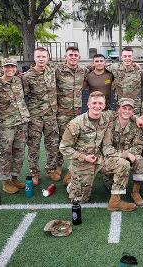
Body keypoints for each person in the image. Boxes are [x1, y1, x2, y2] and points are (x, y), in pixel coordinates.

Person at [60, 91, 136, 211]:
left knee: (124, 164)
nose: (97, 106)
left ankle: (115, 201)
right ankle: (71, 182)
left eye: (100, 103)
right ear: (88, 104)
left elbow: (125, 112)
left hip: (101, 159)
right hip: (83, 162)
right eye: (94, 103)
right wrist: (83, 157)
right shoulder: (76, 123)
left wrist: (138, 119)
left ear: (104, 105)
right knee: (81, 200)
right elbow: (64, 148)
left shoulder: (107, 116)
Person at [22, 47, 60, 186]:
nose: (41, 59)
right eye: (38, 56)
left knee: (52, 145)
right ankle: (34, 173)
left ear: (48, 58)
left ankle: (51, 169)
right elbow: (22, 95)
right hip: (35, 117)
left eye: (44, 56)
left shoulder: (52, 71)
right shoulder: (27, 76)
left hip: (51, 116)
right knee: (33, 146)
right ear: (34, 58)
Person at [0, 58, 30, 193]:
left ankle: (14, 177)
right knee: (5, 152)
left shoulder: (18, 80)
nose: (10, 69)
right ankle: (5, 180)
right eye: (7, 67)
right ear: (2, 68)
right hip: (6, 125)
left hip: (21, 122)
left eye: (13, 67)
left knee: (19, 151)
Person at [54, 46, 89, 183]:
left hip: (77, 113)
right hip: (62, 112)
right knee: (61, 140)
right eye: (71, 55)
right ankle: (57, 166)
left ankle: (71, 169)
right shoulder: (58, 70)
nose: (73, 57)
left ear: (79, 57)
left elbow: (99, 66)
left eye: (75, 55)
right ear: (65, 57)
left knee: (76, 140)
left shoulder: (83, 70)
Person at [107, 98, 143, 206]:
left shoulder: (135, 125)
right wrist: (125, 154)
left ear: (132, 112)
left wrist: (129, 154)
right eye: (124, 108)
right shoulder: (110, 123)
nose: (126, 111)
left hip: (128, 156)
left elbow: (139, 146)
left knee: (140, 160)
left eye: (129, 109)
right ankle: (116, 189)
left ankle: (135, 191)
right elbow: (106, 148)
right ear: (118, 109)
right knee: (109, 186)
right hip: (111, 157)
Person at [106, 47, 142, 115]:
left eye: (129, 56)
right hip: (121, 105)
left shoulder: (138, 71)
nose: (127, 58)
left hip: (135, 107)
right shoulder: (114, 68)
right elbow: (100, 67)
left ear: (132, 57)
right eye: (125, 56)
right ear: (121, 57)